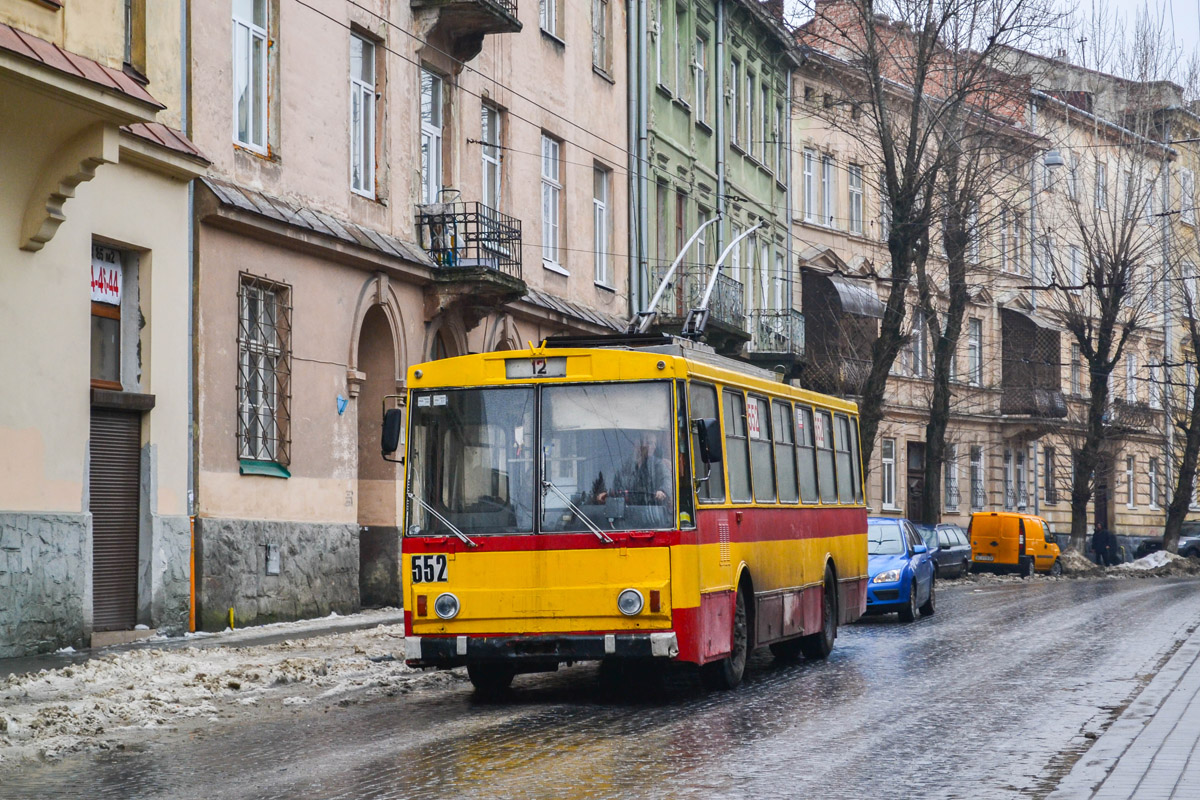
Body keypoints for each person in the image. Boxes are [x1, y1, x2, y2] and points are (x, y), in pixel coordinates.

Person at [597, 433, 670, 505]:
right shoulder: (623, 464)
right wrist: (605, 492)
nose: (654, 447)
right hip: (625, 509)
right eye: (650, 443)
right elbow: (611, 478)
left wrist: (663, 491)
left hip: (650, 510)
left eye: (655, 444)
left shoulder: (657, 465)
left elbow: (667, 479)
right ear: (638, 444)